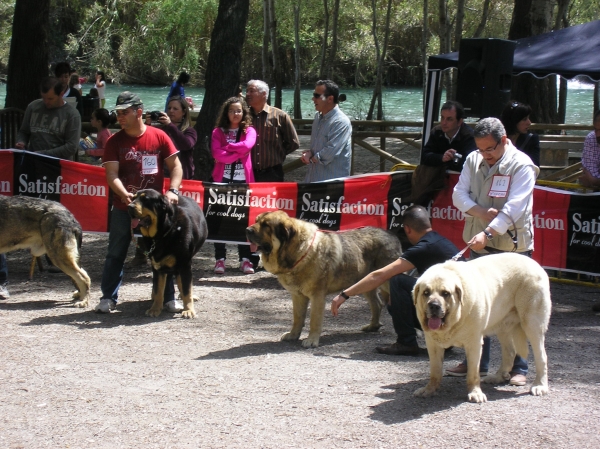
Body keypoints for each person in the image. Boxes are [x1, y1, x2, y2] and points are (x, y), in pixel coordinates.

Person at [449, 117, 540, 386]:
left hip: (513, 249)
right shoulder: (473, 159)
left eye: (490, 149)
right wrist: (481, 213)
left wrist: (489, 231)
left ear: (503, 141)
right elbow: (458, 195)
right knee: (477, 306)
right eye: (480, 150)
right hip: (479, 244)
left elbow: (515, 207)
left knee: (517, 309)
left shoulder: (521, 164)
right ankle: (475, 362)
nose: (485, 156)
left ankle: (519, 368)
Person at [331, 205, 462, 356]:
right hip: (459, 312)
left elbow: (379, 276)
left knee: (397, 281)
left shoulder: (423, 248)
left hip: (454, 318)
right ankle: (442, 339)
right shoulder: (439, 241)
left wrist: (344, 295)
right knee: (403, 296)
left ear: (407, 229)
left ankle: (406, 343)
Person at [95, 91, 183, 314]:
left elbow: (176, 166)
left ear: (139, 112)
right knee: (116, 252)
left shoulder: (159, 136)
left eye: (125, 113)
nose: (120, 117)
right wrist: (123, 193)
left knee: (162, 252)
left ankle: (167, 299)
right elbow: (111, 174)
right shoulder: (114, 142)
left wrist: (173, 190)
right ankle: (108, 297)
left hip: (154, 212)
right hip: (124, 208)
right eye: (118, 113)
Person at [211, 97, 257, 275]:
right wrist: (236, 153)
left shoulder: (249, 130)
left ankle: (244, 259)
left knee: (242, 220)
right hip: (221, 180)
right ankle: (220, 259)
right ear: (226, 113)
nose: (235, 114)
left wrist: (228, 147)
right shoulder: (218, 131)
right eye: (231, 111)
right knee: (219, 218)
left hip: (242, 180)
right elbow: (217, 153)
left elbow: (248, 145)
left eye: (238, 110)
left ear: (244, 112)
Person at [245, 79, 299, 182]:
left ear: (263, 94)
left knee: (272, 198)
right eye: (247, 91)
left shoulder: (280, 116)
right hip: (247, 171)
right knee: (249, 198)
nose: (247, 94)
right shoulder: (243, 116)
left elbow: (293, 143)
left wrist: (277, 154)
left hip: (272, 173)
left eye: (251, 91)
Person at [15, 77, 82, 160]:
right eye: (43, 98)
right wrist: (21, 142)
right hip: (33, 161)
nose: (46, 101)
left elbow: (71, 147)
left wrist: (43, 154)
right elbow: (24, 132)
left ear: (61, 94)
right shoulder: (33, 107)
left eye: (50, 99)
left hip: (58, 165)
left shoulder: (72, 114)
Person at [301, 79, 352, 182]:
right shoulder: (317, 117)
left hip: (332, 183)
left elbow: (328, 154)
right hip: (313, 179)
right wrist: (309, 152)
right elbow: (316, 147)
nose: (313, 99)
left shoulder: (341, 121)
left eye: (317, 96)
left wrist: (310, 157)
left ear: (330, 99)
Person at [146, 95, 197, 180]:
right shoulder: (160, 129)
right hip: (161, 176)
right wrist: (147, 124)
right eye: (169, 108)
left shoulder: (190, 131)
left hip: (182, 177)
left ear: (184, 112)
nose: (171, 111)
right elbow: (145, 142)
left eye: (175, 109)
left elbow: (186, 145)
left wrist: (170, 125)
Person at [421, 100, 476, 172]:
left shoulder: (469, 136)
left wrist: (452, 158)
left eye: (449, 119)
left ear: (459, 122)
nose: (444, 123)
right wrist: (442, 158)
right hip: (437, 177)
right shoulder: (437, 132)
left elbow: (470, 164)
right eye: (442, 118)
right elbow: (424, 156)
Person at [500, 100, 541, 166]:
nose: (529, 123)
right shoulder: (497, 139)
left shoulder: (531, 139)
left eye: (528, 118)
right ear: (513, 121)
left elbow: (534, 165)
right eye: (524, 119)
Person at [580, 109, 600, 191]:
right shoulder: (591, 139)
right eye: (596, 130)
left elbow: (592, 179)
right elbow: (591, 172)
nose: (598, 134)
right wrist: (593, 180)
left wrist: (594, 181)